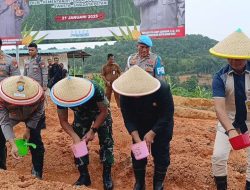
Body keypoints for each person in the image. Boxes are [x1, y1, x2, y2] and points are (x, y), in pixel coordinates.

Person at [113, 65, 174, 190]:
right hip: (139, 125)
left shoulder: (162, 89)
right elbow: (128, 119)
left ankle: (158, 184)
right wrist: (137, 139)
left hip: (161, 126)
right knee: (138, 154)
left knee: (161, 154)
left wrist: (153, 132)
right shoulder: (125, 94)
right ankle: (140, 183)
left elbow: (167, 114)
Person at [50, 76, 114, 190]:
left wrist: (93, 130)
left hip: (99, 112)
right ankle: (84, 175)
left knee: (106, 140)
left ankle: (107, 174)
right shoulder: (61, 96)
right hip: (81, 114)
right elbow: (63, 121)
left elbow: (104, 111)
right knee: (78, 142)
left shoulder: (95, 88)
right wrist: (75, 137)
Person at [210, 29, 250, 190]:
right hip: (228, 119)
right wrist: (231, 130)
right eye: (231, 58)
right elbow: (219, 109)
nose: (235, 61)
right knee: (218, 156)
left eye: (239, 58)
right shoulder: (220, 77)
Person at [0, 75, 45, 179]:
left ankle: (37, 172)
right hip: (13, 115)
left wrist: (29, 129)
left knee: (35, 139)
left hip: (33, 115)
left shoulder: (40, 96)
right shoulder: (2, 98)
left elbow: (39, 113)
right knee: (0, 134)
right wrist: (12, 144)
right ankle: (1, 170)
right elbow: (4, 121)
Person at [24, 42, 47, 130]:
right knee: (30, 104)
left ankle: (41, 123)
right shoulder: (27, 61)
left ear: (36, 50)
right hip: (29, 87)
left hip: (38, 87)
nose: (30, 51)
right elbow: (25, 75)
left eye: (32, 50)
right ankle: (30, 122)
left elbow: (44, 73)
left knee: (40, 105)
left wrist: (44, 86)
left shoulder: (40, 60)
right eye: (29, 50)